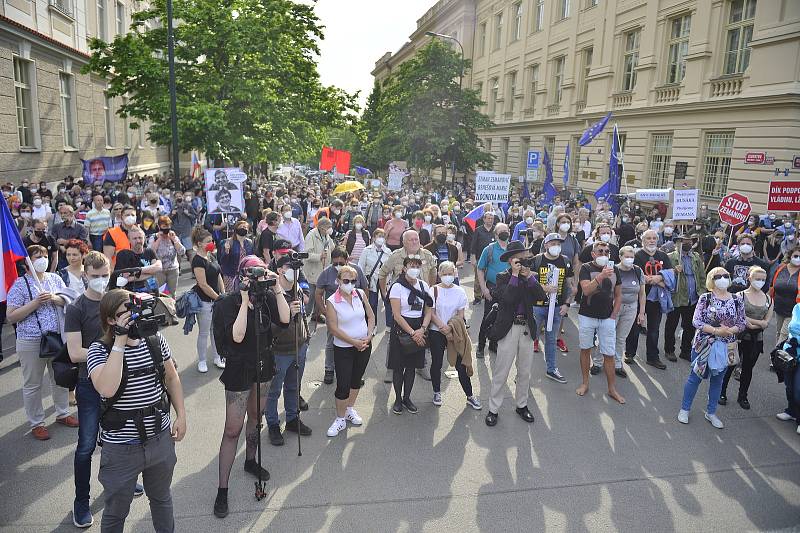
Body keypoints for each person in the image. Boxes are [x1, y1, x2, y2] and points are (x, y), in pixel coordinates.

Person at [64, 253, 145, 527]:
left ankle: (124, 481)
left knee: (124, 437)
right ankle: (81, 501)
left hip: (121, 383)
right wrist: (109, 353)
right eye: (94, 275)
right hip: (89, 386)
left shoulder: (118, 301)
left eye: (104, 275)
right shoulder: (76, 308)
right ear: (84, 274)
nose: (100, 280)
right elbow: (74, 353)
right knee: (86, 445)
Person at [211, 256, 290, 518]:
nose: (255, 280)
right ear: (241, 276)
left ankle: (250, 461)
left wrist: (277, 287)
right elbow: (237, 336)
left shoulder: (267, 297)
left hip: (263, 363)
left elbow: (286, 320)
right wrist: (245, 302)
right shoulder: (226, 303)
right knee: (232, 430)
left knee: (256, 420)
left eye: (259, 275)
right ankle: (222, 489)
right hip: (238, 368)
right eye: (250, 275)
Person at [6, 245, 77, 440]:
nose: (43, 259)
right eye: (38, 256)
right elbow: (11, 316)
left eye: (45, 255)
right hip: (31, 341)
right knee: (33, 384)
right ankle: (37, 423)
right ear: (27, 261)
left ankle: (63, 413)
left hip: (56, 338)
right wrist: (35, 303)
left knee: (60, 377)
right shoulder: (20, 284)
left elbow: (69, 300)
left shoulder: (54, 278)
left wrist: (55, 298)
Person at [484, 241, 545, 427]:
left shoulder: (530, 277)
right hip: (508, 328)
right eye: (519, 259)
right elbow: (507, 298)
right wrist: (516, 276)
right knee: (501, 371)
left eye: (525, 259)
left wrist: (530, 278)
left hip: (526, 327)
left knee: (525, 371)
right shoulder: (502, 277)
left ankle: (522, 405)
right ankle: (493, 409)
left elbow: (541, 297)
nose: (523, 262)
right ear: (511, 260)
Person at [678, 267, 746, 429]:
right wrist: (716, 331)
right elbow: (697, 321)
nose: (723, 278)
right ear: (711, 279)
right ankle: (684, 409)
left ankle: (711, 412)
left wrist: (729, 331)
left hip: (726, 345)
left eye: (726, 275)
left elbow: (742, 322)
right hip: (704, 344)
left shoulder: (737, 299)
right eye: (718, 276)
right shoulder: (705, 298)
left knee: (718, 380)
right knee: (695, 377)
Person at [266, 256, 312, 446]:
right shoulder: (271, 295)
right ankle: (273, 424)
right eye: (289, 267)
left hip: (299, 347)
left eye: (296, 267)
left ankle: (292, 418)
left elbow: (302, 317)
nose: (294, 270)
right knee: (274, 390)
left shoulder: (298, 289)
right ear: (279, 270)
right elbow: (268, 329)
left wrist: (306, 337)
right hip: (279, 351)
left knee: (294, 386)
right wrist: (287, 316)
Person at [324, 265, 375, 436]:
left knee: (356, 380)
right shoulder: (331, 301)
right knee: (343, 384)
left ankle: (349, 410)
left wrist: (369, 335)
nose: (350, 284)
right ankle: (339, 418)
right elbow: (333, 328)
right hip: (344, 348)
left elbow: (371, 316)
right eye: (346, 281)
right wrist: (353, 342)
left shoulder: (360, 294)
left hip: (364, 345)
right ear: (338, 281)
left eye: (353, 281)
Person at [576, 241, 626, 404]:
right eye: (600, 251)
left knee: (609, 354)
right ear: (593, 254)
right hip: (587, 316)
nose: (604, 254)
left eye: (607, 252)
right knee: (585, 349)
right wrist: (602, 276)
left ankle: (612, 389)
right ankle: (585, 383)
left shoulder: (615, 269)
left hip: (607, 318)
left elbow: (618, 295)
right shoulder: (586, 268)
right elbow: (586, 290)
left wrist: (614, 314)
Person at [428, 261, 480, 409]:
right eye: (444, 274)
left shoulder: (459, 291)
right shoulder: (433, 290)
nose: (447, 277)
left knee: (460, 363)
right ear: (439, 274)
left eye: (450, 274)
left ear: (455, 274)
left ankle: (470, 395)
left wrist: (449, 329)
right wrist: (442, 327)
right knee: (437, 363)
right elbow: (430, 313)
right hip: (436, 331)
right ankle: (437, 392)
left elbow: (460, 314)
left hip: (455, 331)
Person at [720, 266, 772, 409]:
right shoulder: (740, 295)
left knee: (748, 368)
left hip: (756, 339)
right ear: (749, 278)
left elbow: (767, 321)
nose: (760, 282)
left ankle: (743, 396)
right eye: (757, 279)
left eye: (763, 279)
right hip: (738, 337)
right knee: (730, 365)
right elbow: (740, 316)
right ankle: (721, 392)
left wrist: (757, 324)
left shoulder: (768, 298)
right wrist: (758, 323)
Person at [315, 248, 368, 384]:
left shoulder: (356, 270)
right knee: (331, 343)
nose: (338, 265)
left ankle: (356, 372)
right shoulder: (327, 273)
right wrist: (325, 311)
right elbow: (318, 293)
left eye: (341, 262)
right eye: (335, 263)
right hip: (335, 316)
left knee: (357, 341)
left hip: (353, 314)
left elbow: (364, 288)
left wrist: (362, 308)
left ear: (347, 260)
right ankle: (329, 369)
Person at [387, 256, 433, 415]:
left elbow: (428, 310)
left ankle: (407, 398)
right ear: (404, 268)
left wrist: (422, 329)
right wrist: (413, 333)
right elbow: (396, 314)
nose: (414, 269)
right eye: (411, 265)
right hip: (402, 328)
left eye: (417, 266)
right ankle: (398, 399)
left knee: (412, 367)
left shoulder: (424, 285)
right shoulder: (397, 287)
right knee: (399, 367)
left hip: (419, 327)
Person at [530, 233, 574, 383]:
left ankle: (551, 369)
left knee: (551, 340)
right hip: (537, 307)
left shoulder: (565, 261)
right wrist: (545, 287)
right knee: (529, 339)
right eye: (553, 243)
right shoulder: (537, 260)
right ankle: (523, 373)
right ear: (546, 245)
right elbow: (529, 282)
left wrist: (567, 303)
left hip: (556, 308)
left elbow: (570, 285)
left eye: (559, 243)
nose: (557, 246)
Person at [628, 229, 673, 369]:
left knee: (654, 329)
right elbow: (638, 276)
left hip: (656, 299)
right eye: (649, 238)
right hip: (638, 297)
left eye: (654, 238)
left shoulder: (663, 256)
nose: (652, 240)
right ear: (643, 240)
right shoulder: (637, 256)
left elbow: (670, 275)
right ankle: (629, 353)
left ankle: (653, 357)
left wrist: (658, 278)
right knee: (634, 327)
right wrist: (659, 278)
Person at [664, 234, 706, 362]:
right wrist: (674, 271)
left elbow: (701, 276)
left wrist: (702, 292)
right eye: (683, 241)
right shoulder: (670, 257)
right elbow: (664, 275)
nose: (687, 244)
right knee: (672, 325)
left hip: (693, 297)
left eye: (689, 241)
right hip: (676, 297)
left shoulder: (696, 258)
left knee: (690, 326)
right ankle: (669, 350)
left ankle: (685, 351)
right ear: (677, 243)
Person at [191, 227, 226, 373]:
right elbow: (203, 285)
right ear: (199, 243)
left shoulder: (210, 255)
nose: (212, 243)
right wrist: (218, 298)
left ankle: (218, 357)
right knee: (204, 332)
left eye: (212, 241)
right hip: (205, 302)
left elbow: (218, 275)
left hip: (217, 300)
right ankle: (202, 360)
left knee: (216, 331)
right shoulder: (197, 261)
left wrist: (223, 294)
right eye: (208, 241)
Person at [475, 223, 511, 359]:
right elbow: (480, 269)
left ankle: (494, 344)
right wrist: (484, 288)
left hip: (508, 289)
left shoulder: (512, 249)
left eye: (506, 230)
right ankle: (481, 345)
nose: (504, 233)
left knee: (502, 318)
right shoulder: (489, 249)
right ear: (496, 235)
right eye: (501, 231)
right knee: (487, 318)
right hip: (492, 287)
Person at [113, 226, 162, 294]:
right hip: (134, 294)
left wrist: (137, 272)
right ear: (129, 240)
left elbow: (158, 268)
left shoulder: (149, 251)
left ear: (144, 238)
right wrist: (150, 272)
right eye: (134, 238)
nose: (138, 241)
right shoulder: (124, 255)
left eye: (140, 238)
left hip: (153, 291)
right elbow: (123, 279)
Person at [304, 217, 335, 321]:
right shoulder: (311, 235)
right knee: (312, 294)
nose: (330, 229)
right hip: (313, 270)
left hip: (323, 269)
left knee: (321, 293)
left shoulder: (326, 235)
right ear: (322, 227)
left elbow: (332, 247)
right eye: (328, 227)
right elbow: (307, 254)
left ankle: (316, 314)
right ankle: (306, 314)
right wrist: (319, 256)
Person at [769, 244, 800, 345]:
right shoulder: (780, 269)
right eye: (796, 256)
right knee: (779, 333)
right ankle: (779, 356)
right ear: (790, 256)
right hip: (779, 307)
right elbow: (772, 285)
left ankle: (777, 357)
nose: (798, 259)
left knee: (784, 333)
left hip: (794, 310)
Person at [358, 227, 392, 319]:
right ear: (374, 238)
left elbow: (392, 267)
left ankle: (389, 326)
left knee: (388, 302)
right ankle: (373, 324)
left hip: (385, 280)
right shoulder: (367, 250)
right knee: (372, 303)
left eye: (383, 237)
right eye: (379, 236)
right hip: (371, 280)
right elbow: (360, 266)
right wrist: (363, 281)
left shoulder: (388, 252)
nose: (381, 238)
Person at [150, 216, 185, 297]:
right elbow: (151, 252)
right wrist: (158, 239)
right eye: (164, 226)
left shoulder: (173, 237)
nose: (166, 228)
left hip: (173, 269)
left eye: (168, 226)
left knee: (172, 293)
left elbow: (182, 252)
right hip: (159, 271)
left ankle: (172, 308)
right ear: (159, 227)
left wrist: (174, 240)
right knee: (162, 294)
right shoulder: (154, 237)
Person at [218, 220, 255, 292]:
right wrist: (226, 251)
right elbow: (222, 261)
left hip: (245, 275)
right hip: (231, 275)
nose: (243, 228)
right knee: (232, 297)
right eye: (241, 227)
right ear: (236, 229)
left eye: (245, 227)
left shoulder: (249, 242)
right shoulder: (227, 242)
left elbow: (251, 257)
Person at [470, 208, 496, 305]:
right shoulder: (478, 230)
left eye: (492, 218)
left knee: (491, 277)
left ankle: (489, 294)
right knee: (478, 278)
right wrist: (472, 257)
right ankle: (477, 296)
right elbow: (473, 245)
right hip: (480, 258)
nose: (490, 220)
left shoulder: (496, 230)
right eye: (488, 218)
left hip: (493, 259)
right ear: (484, 219)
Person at [51, 204, 90, 269]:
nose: (63, 215)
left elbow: (83, 243)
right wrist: (60, 247)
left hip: (76, 258)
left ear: (72, 214)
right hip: (61, 258)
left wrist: (65, 242)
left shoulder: (81, 228)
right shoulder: (56, 227)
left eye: (65, 213)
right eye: (61, 213)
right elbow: (53, 241)